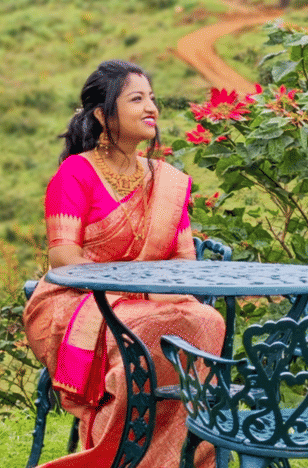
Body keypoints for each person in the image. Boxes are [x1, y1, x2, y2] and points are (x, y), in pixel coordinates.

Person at [24, 60, 225, 468]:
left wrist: (152, 292)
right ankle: (121, 458)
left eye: (152, 98)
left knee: (207, 321)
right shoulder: (75, 174)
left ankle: (184, 459)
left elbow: (183, 261)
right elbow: (65, 260)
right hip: (80, 300)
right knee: (147, 331)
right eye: (137, 99)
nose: (151, 107)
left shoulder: (166, 181)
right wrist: (130, 292)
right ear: (102, 114)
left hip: (153, 300)